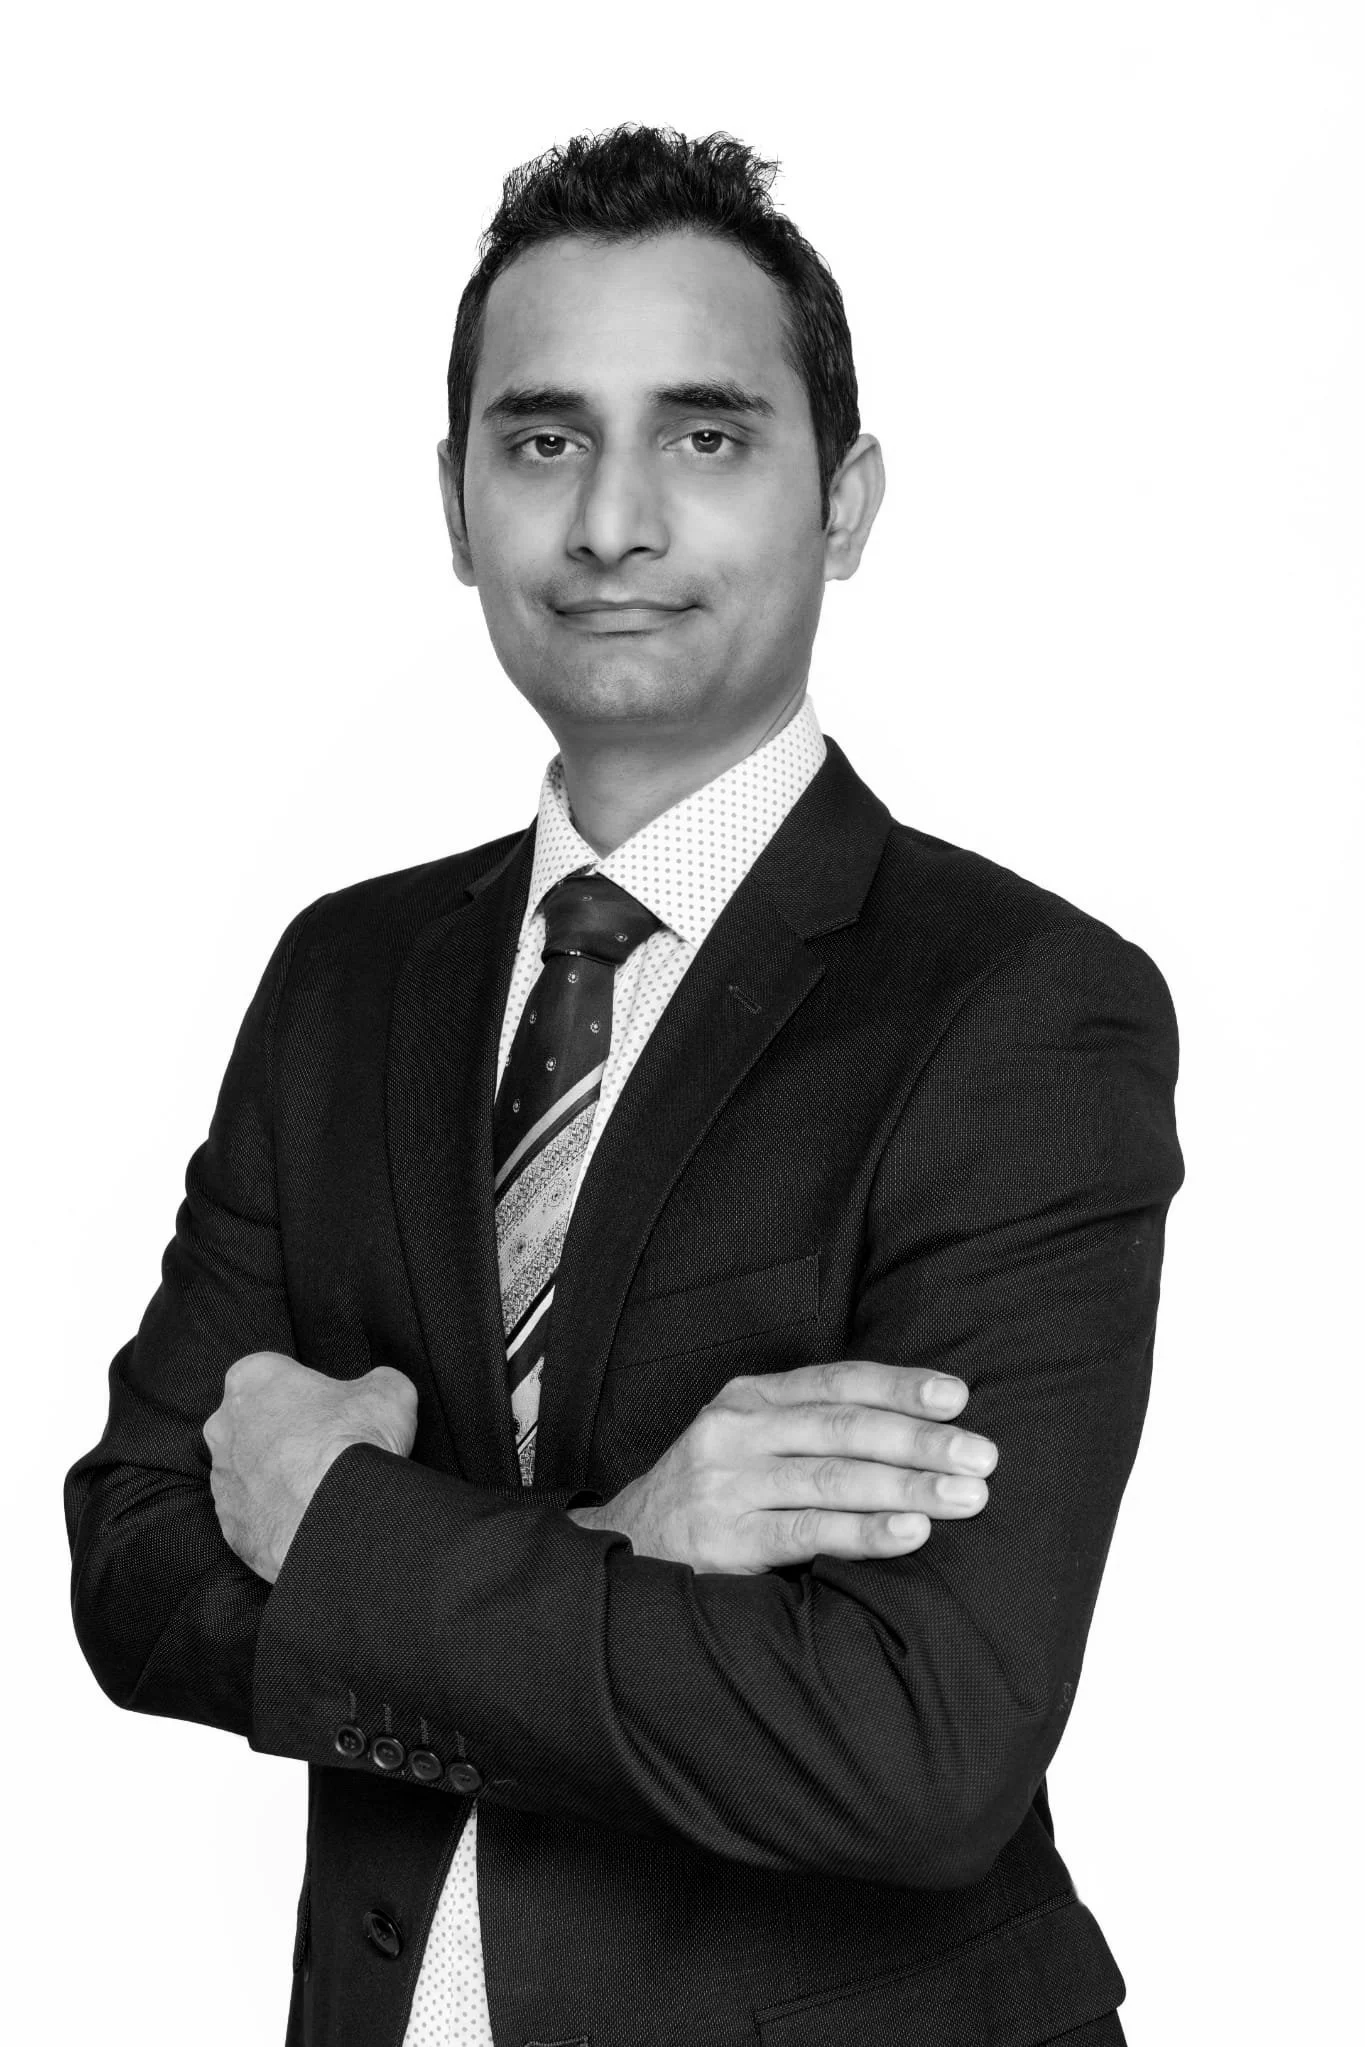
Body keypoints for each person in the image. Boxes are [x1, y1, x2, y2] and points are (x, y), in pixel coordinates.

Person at [65, 123, 1184, 2047]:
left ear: (847, 499)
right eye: (543, 438)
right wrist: (617, 1539)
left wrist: (353, 1532)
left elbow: (914, 1752)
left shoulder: (1023, 1010)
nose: (610, 524)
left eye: (709, 435)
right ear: (454, 500)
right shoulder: (344, 977)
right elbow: (137, 1566)